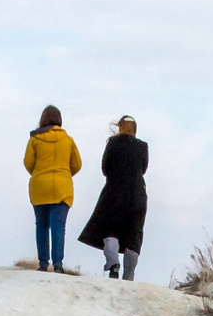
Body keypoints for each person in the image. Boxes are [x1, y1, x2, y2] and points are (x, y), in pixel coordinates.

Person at [78, 116, 149, 280]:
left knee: (112, 229)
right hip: (137, 195)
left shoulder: (112, 143)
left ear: (120, 128)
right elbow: (143, 169)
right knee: (135, 232)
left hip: (114, 192)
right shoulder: (142, 146)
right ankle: (129, 274)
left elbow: (105, 168)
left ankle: (113, 264)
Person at [23, 106, 82, 272]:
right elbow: (77, 164)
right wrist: (64, 173)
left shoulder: (34, 140)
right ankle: (58, 264)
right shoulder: (68, 139)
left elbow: (28, 163)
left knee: (41, 225)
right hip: (62, 188)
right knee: (58, 226)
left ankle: (43, 264)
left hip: (40, 186)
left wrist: (39, 173)